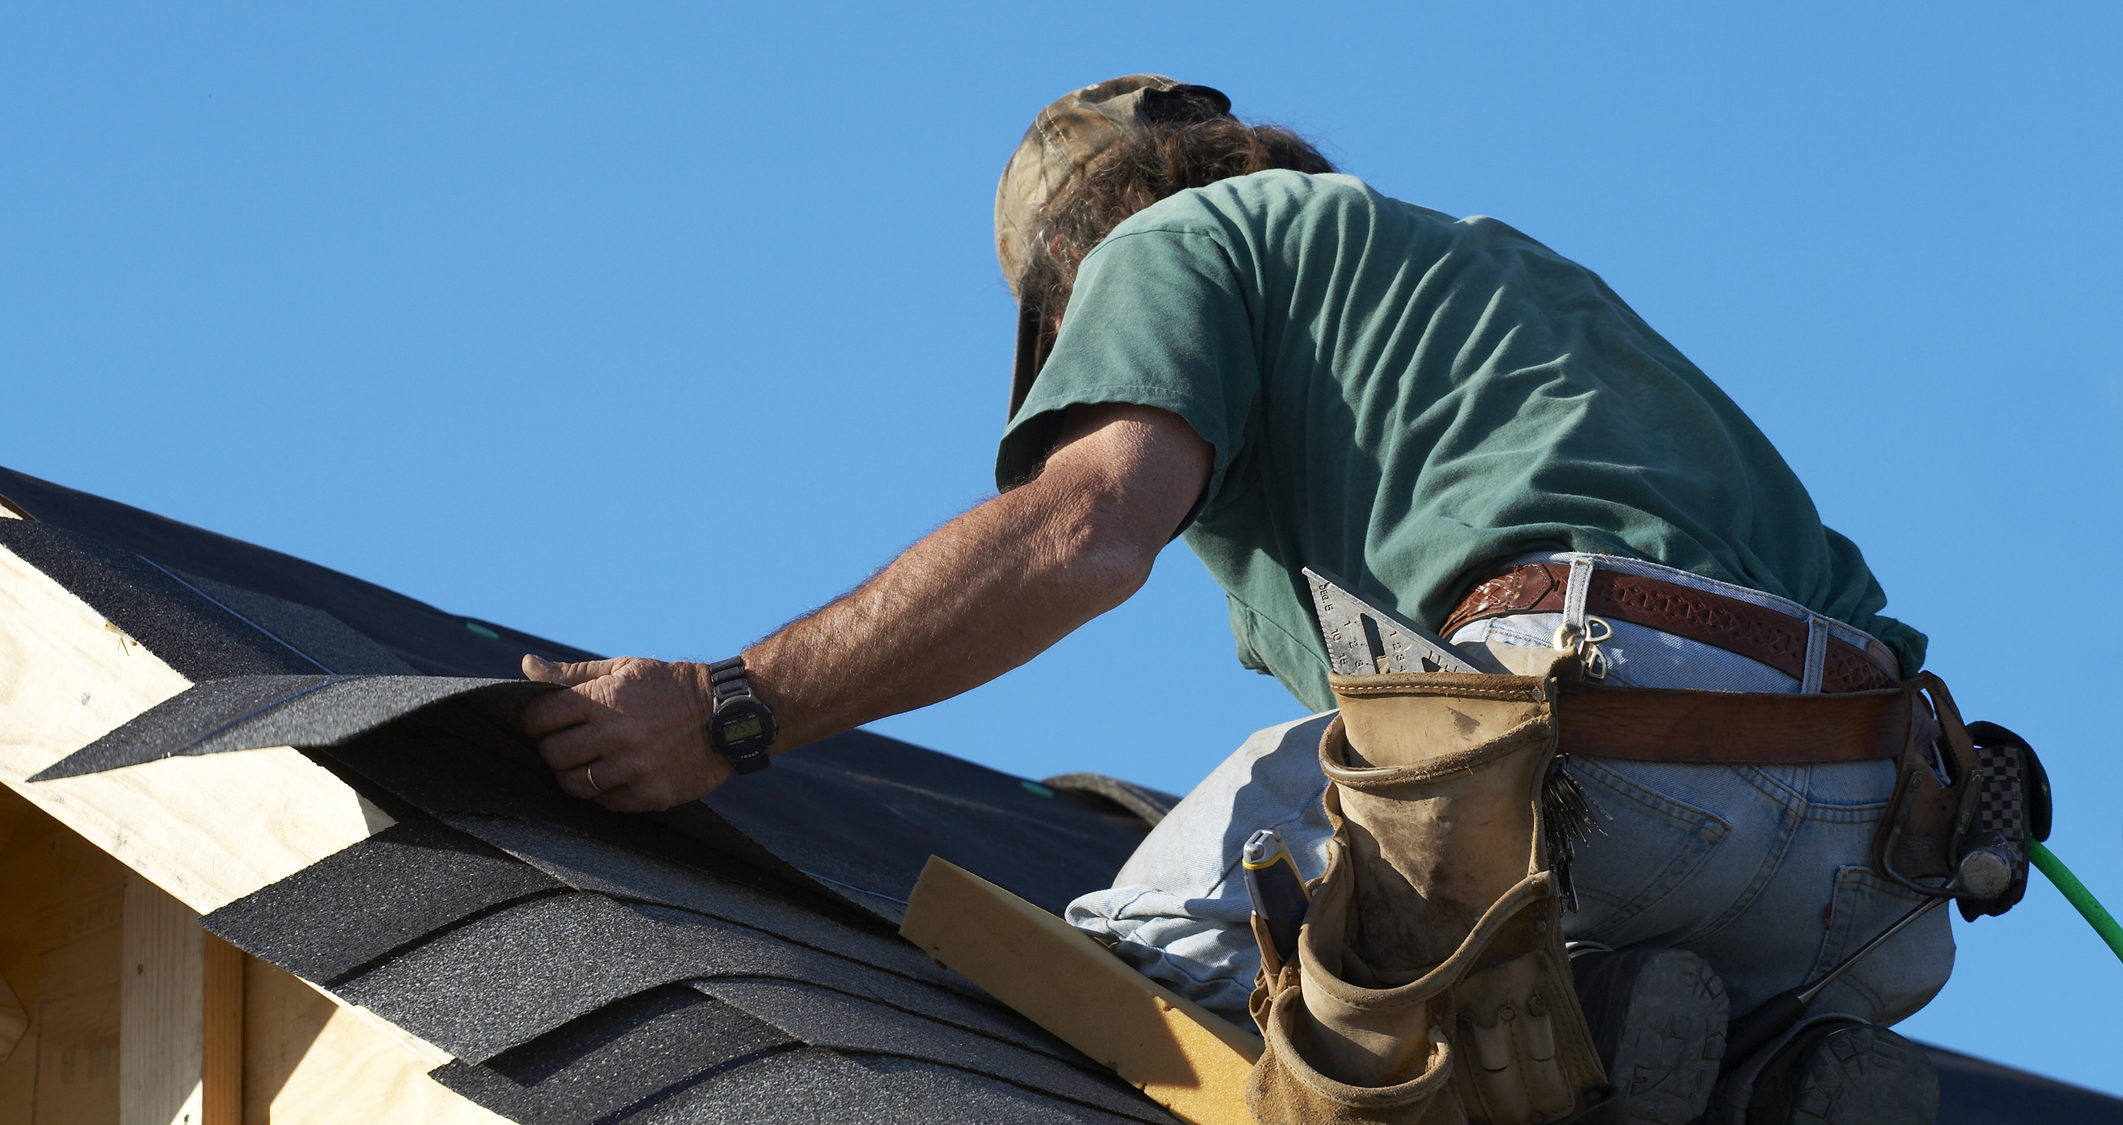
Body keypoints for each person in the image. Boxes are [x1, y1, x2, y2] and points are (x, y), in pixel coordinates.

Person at [517, 76, 1949, 1124]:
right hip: (1873, 862)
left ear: (1074, 285)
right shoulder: (1496, 285)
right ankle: (1733, 1065)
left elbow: (1085, 527)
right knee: (1580, 1036)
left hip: (1598, 735)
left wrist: (729, 709)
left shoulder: (1171, 245)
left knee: (1156, 952)